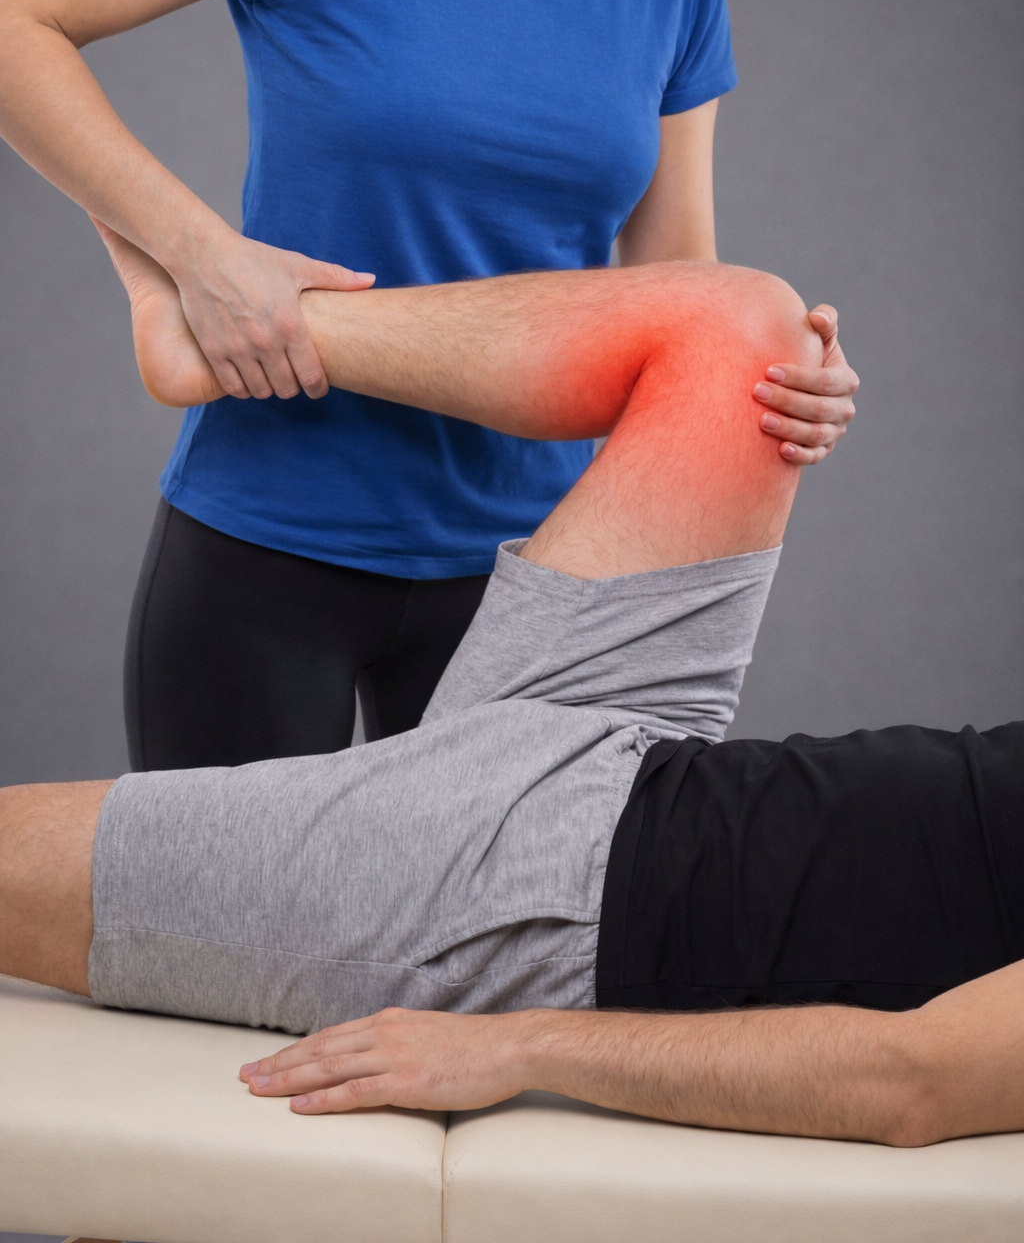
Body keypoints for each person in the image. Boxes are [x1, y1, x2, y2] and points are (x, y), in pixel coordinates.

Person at [2, 243, 1020, 1147]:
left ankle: (233, 322)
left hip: (560, 887)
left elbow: (910, 1084)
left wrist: (526, 1048)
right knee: (754, 333)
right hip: (649, 737)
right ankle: (227, 327)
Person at [0, 0, 859, 770]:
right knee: (226, 937)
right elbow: (13, 15)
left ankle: (206, 340)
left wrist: (773, 377)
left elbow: (674, 288)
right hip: (265, 545)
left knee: (488, 941)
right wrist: (200, 255)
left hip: (534, 579)